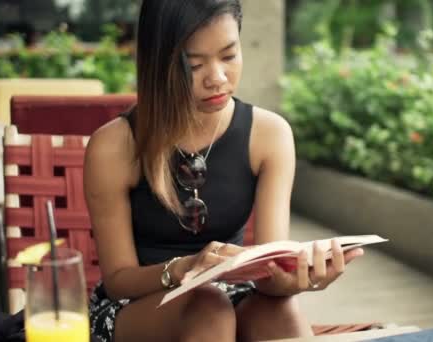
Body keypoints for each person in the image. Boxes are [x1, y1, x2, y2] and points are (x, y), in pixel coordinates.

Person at [84, 1, 364, 341]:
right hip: (136, 307)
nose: (217, 79)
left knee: (281, 314)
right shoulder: (115, 145)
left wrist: (294, 279)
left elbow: (269, 274)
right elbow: (118, 280)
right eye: (195, 64)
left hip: (232, 296)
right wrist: (185, 268)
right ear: (159, 65)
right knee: (207, 307)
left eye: (229, 56)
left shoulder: (269, 135)